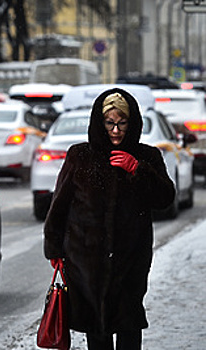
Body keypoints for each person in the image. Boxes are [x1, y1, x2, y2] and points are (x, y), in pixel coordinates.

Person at [43, 88, 176, 350]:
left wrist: (137, 170)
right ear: (98, 123)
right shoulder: (80, 155)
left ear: (133, 123)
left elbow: (165, 199)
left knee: (128, 325)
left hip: (130, 260)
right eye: (109, 123)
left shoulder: (147, 156)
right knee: (96, 329)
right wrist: (55, 250)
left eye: (122, 123)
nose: (116, 131)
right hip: (86, 261)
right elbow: (59, 206)